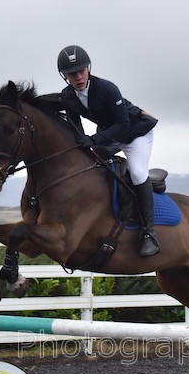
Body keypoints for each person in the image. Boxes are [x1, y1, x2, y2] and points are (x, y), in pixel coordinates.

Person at [56, 45, 161, 257]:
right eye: (72, 74)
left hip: (135, 133)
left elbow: (123, 124)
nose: (78, 77)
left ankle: (149, 233)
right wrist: (81, 143)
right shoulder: (67, 96)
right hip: (110, 136)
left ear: (88, 69)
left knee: (139, 173)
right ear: (64, 76)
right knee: (91, 167)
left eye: (81, 71)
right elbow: (76, 126)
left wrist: (94, 140)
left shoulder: (107, 88)